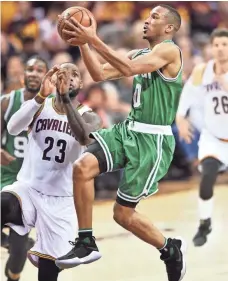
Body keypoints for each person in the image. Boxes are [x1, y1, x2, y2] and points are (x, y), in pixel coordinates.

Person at [56, 4, 186, 281]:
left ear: (169, 28)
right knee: (82, 168)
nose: (147, 20)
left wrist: (92, 37)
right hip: (127, 131)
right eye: (148, 15)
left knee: (123, 215)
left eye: (155, 17)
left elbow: (127, 69)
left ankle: (169, 249)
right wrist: (83, 45)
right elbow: (98, 75)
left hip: (153, 140)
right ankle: (86, 242)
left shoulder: (170, 50)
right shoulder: (138, 52)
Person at [1, 63, 101, 281]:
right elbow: (13, 128)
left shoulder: (90, 116)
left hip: (62, 201)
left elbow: (85, 137)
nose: (69, 78)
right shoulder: (39, 105)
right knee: (3, 203)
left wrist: (65, 100)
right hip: (28, 189)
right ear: (55, 81)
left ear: (81, 83)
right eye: (63, 74)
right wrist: (39, 96)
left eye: (74, 75)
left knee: (47, 274)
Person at [176, 28, 228, 247]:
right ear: (210, 47)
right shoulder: (201, 71)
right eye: (216, 45)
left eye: (224, 45)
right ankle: (205, 223)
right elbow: (187, 95)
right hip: (214, 137)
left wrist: (223, 81)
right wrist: (180, 117)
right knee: (207, 176)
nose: (220, 49)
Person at [1, 55, 48, 281]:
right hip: (5, 177)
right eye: (30, 69)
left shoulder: (53, 106)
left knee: (18, 259)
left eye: (40, 70)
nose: (34, 73)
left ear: (47, 77)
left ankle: (12, 270)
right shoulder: (8, 102)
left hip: (29, 185)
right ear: (23, 76)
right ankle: (6, 240)